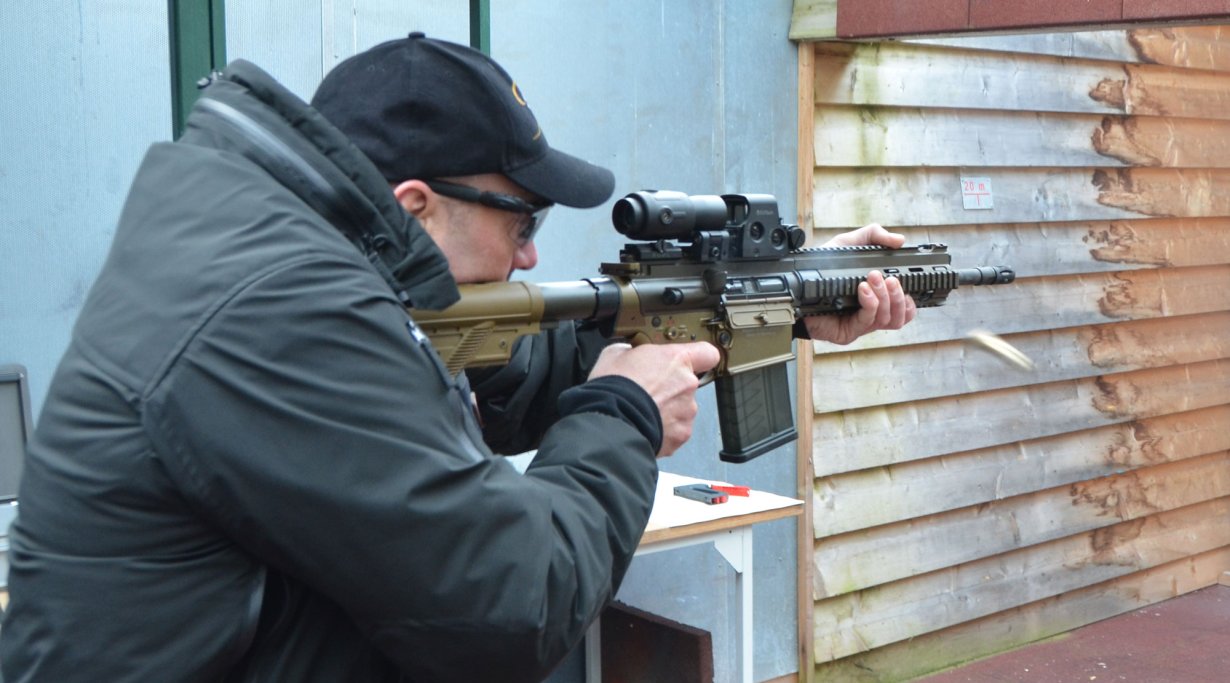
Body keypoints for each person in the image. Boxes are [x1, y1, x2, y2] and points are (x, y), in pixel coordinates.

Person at [0, 33, 913, 683]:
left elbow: (502, 377)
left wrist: (777, 302)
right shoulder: (281, 315)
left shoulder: (281, 264)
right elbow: (513, 605)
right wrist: (623, 413)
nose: (531, 255)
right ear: (413, 206)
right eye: (522, 220)